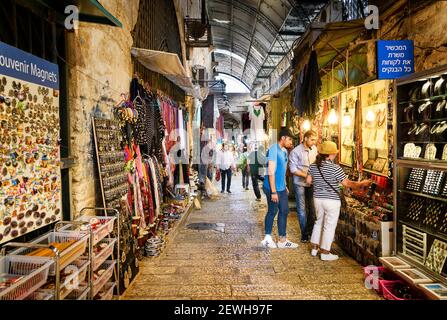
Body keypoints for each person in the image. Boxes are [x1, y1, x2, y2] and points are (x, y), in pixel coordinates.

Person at [306, 141, 371, 261]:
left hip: (318, 198)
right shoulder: (335, 168)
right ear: (331, 154)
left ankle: (315, 248)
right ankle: (325, 252)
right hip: (331, 200)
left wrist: (319, 184)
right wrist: (362, 183)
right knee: (329, 226)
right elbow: (348, 184)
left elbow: (308, 181)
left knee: (318, 222)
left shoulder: (313, 166)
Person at [261, 128, 298, 249]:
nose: (290, 141)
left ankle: (282, 240)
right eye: (289, 139)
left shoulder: (284, 151)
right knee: (273, 210)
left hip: (281, 187)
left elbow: (281, 171)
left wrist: (285, 186)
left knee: (284, 210)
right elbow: (271, 172)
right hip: (271, 187)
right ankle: (267, 238)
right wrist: (273, 192)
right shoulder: (273, 150)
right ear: (283, 138)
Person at [289, 130, 318, 243]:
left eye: (315, 140)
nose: (313, 142)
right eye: (312, 139)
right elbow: (293, 169)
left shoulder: (314, 149)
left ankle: (310, 231)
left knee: (312, 209)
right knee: (301, 210)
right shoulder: (296, 152)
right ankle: (304, 234)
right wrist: (306, 175)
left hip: (311, 184)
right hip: (300, 183)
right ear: (305, 139)